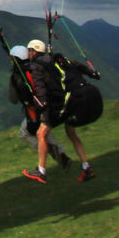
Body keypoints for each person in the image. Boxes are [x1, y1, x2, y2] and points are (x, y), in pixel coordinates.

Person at [21, 39, 101, 185]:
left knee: (41, 133)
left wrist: (42, 105)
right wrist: (92, 73)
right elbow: (77, 65)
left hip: (70, 100)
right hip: (85, 94)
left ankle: (41, 171)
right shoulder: (57, 58)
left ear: (33, 52)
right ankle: (86, 167)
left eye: (29, 51)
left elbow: (39, 88)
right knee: (71, 132)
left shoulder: (36, 65)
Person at [8, 45, 72, 170]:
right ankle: (61, 155)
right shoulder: (37, 68)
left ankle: (52, 151)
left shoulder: (16, 77)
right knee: (43, 131)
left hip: (35, 112)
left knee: (24, 133)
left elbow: (13, 99)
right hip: (52, 106)